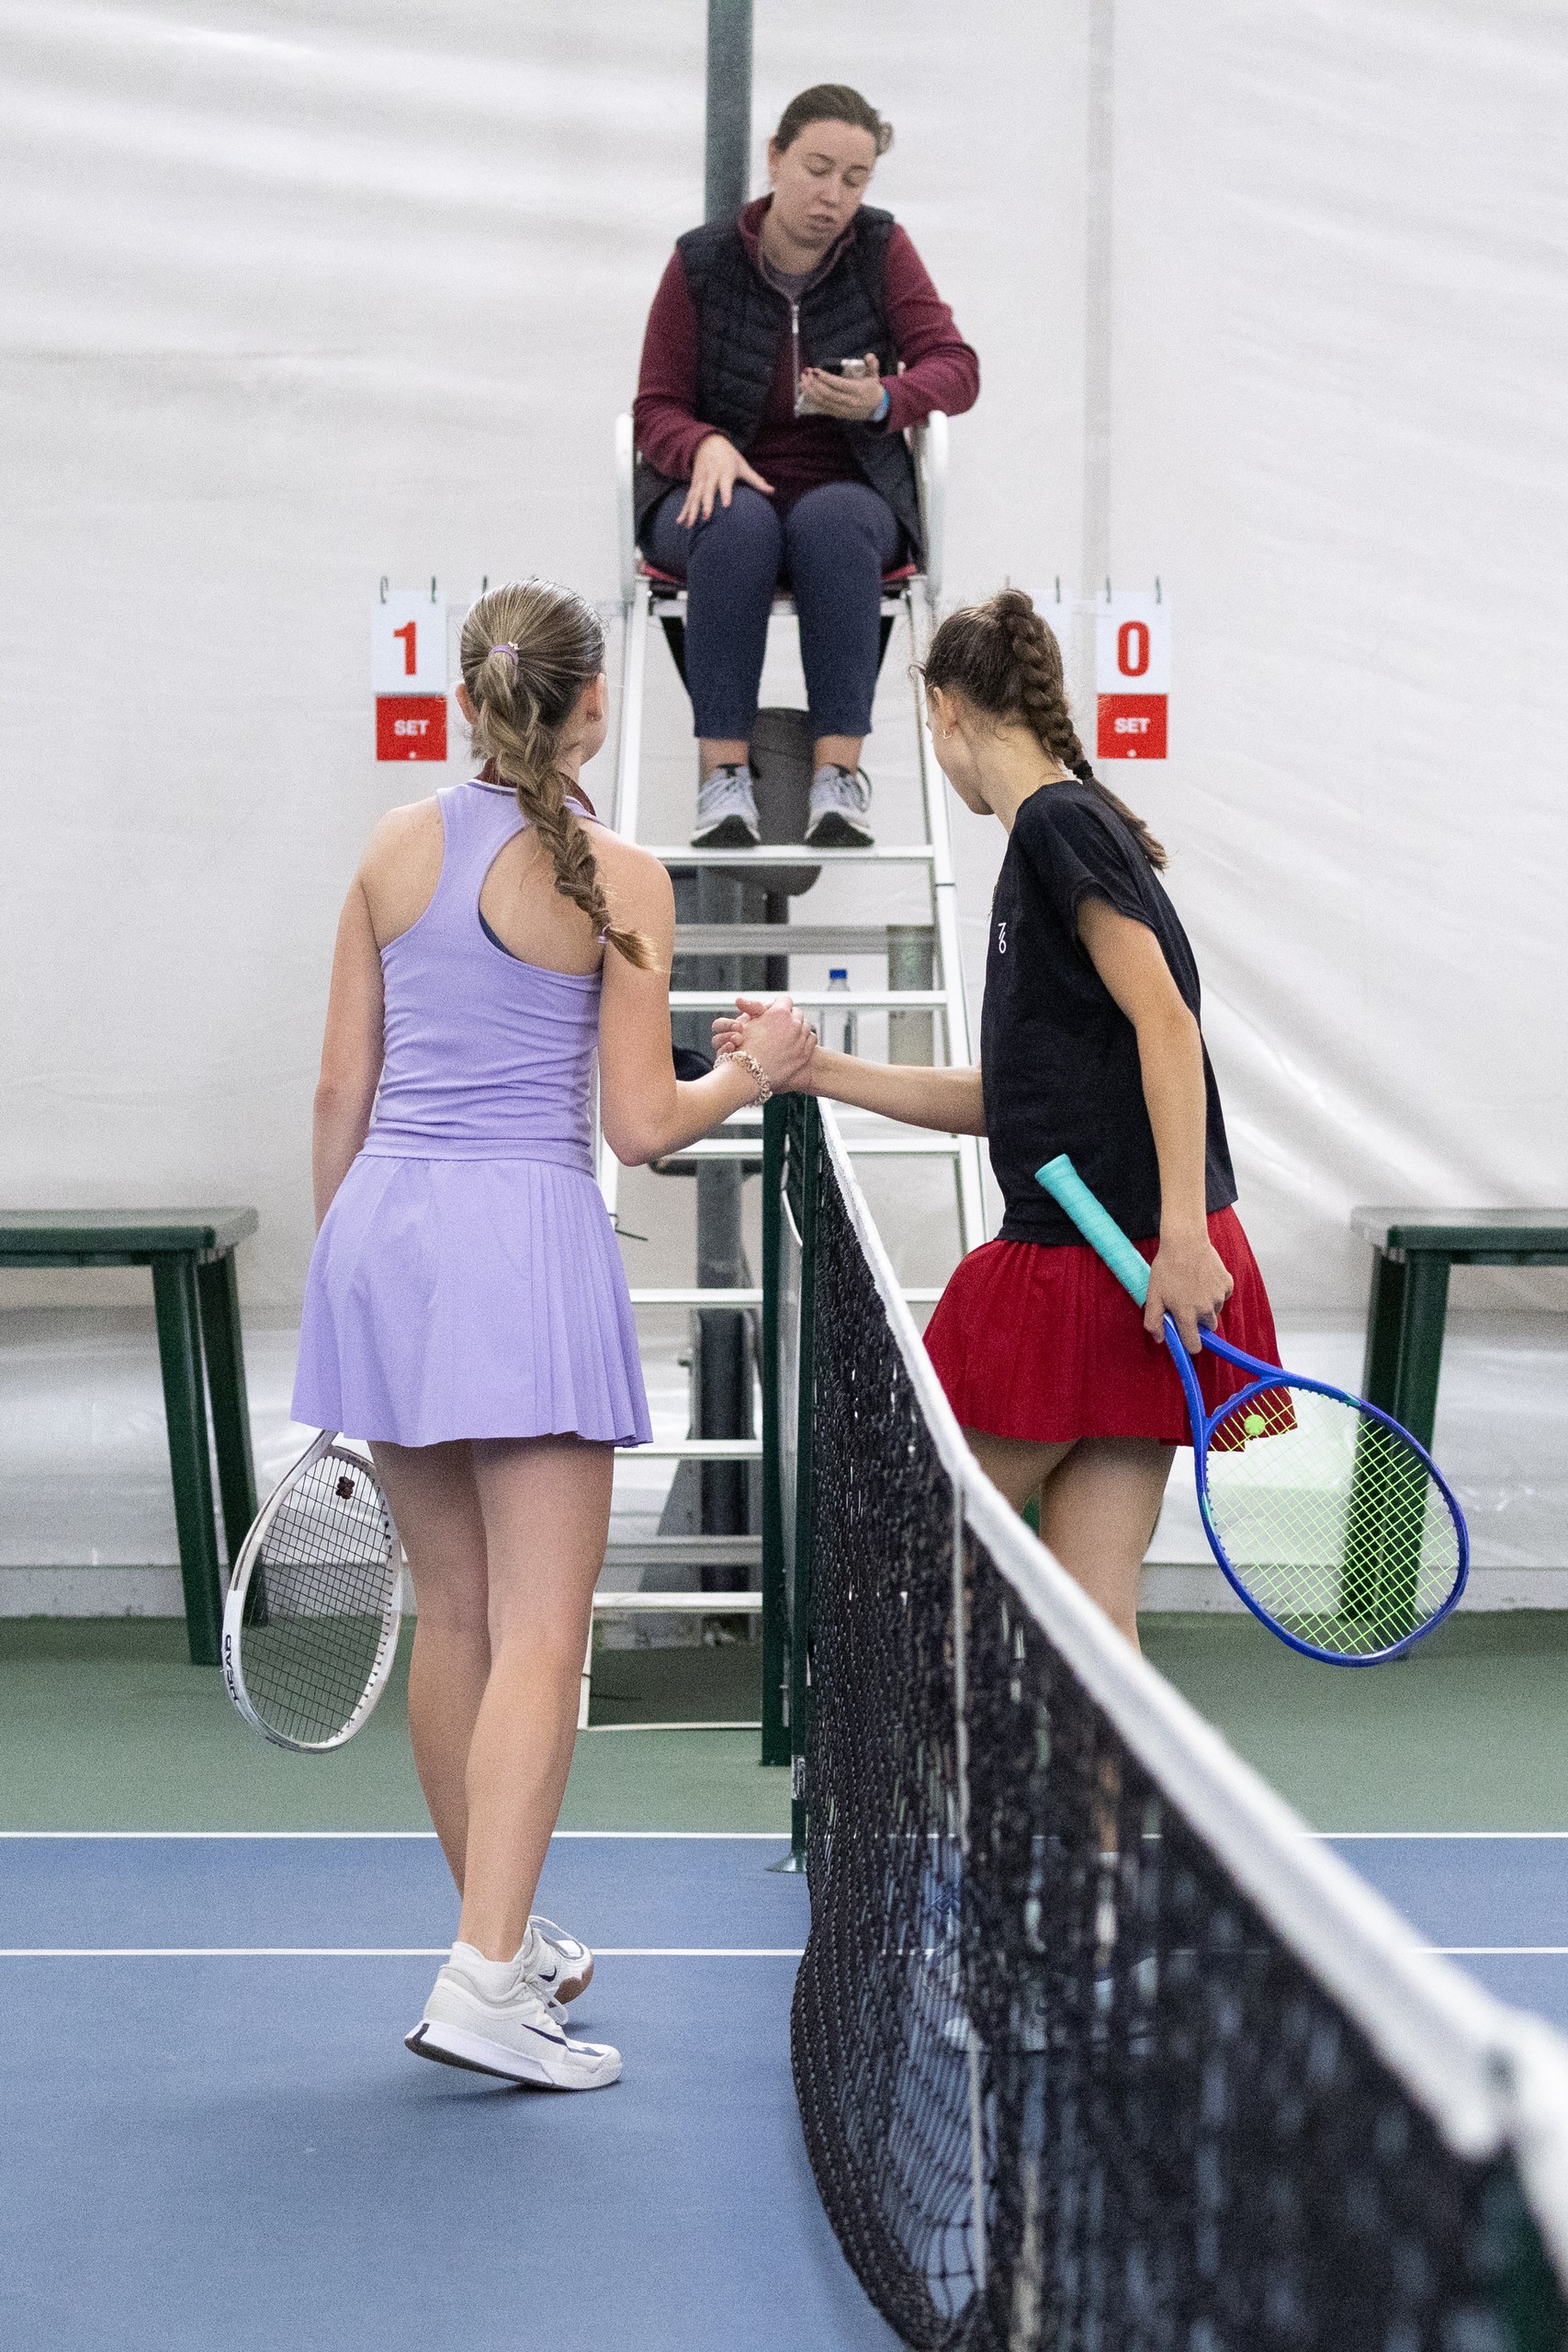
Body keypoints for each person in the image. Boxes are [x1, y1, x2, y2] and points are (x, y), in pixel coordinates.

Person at [292, 579, 814, 2087]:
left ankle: (498, 1941)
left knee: (456, 1620)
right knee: (538, 1631)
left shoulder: (392, 849)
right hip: (518, 1248)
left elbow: (337, 1092)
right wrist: (762, 1067)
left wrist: (347, 1274)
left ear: (470, 702)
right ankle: (482, 1983)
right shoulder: (622, 878)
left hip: (381, 1241)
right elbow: (641, 1126)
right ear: (592, 706)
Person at [715, 590, 1282, 1647]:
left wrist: (1183, 1236)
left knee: (901, 1538)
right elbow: (1017, 1101)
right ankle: (1073, 1773)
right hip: (1129, 1272)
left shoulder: (1061, 826)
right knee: (1089, 1622)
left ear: (945, 711)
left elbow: (1168, 1022)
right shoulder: (1059, 836)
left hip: (1118, 1268)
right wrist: (816, 1069)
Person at [633, 81, 979, 851]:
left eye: (854, 180)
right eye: (817, 170)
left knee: (835, 521)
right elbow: (655, 407)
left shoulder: (882, 249)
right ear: (775, 157)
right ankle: (723, 779)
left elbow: (957, 368)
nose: (832, 196)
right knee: (735, 523)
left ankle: (838, 781)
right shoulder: (700, 262)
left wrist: (883, 400)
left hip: (847, 488)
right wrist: (701, 444)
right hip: (715, 491)